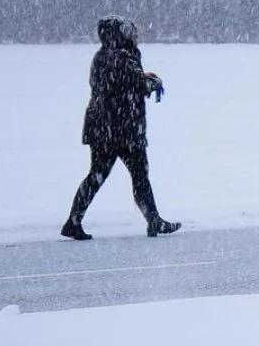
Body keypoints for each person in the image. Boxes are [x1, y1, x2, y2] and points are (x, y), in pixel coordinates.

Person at [61, 15, 181, 240]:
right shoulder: (122, 57)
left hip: (103, 128)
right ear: (117, 34)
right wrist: (154, 82)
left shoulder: (102, 56)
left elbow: (120, 83)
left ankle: (74, 220)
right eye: (126, 31)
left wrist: (140, 76)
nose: (132, 35)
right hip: (122, 129)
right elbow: (137, 85)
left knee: (98, 176)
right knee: (138, 176)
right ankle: (153, 220)